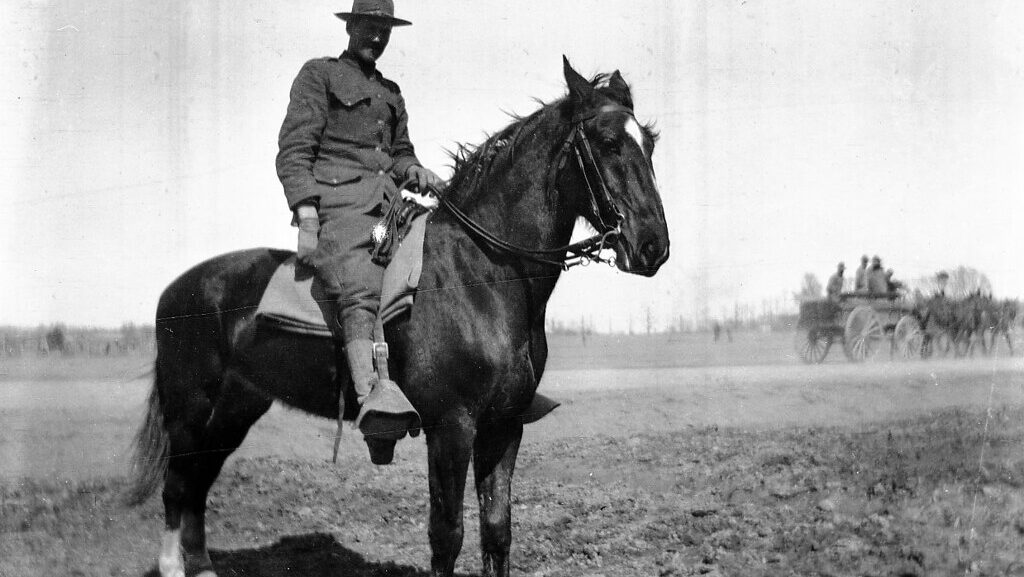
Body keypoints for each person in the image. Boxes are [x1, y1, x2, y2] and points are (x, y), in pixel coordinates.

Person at [276, 0, 443, 438]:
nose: (377, 36)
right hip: (339, 208)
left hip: (388, 209)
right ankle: (374, 398)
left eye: (384, 29)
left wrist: (414, 170)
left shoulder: (392, 93)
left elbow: (400, 151)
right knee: (363, 279)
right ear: (352, 26)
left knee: (442, 249)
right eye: (369, 26)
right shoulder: (319, 75)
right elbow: (295, 151)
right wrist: (306, 209)